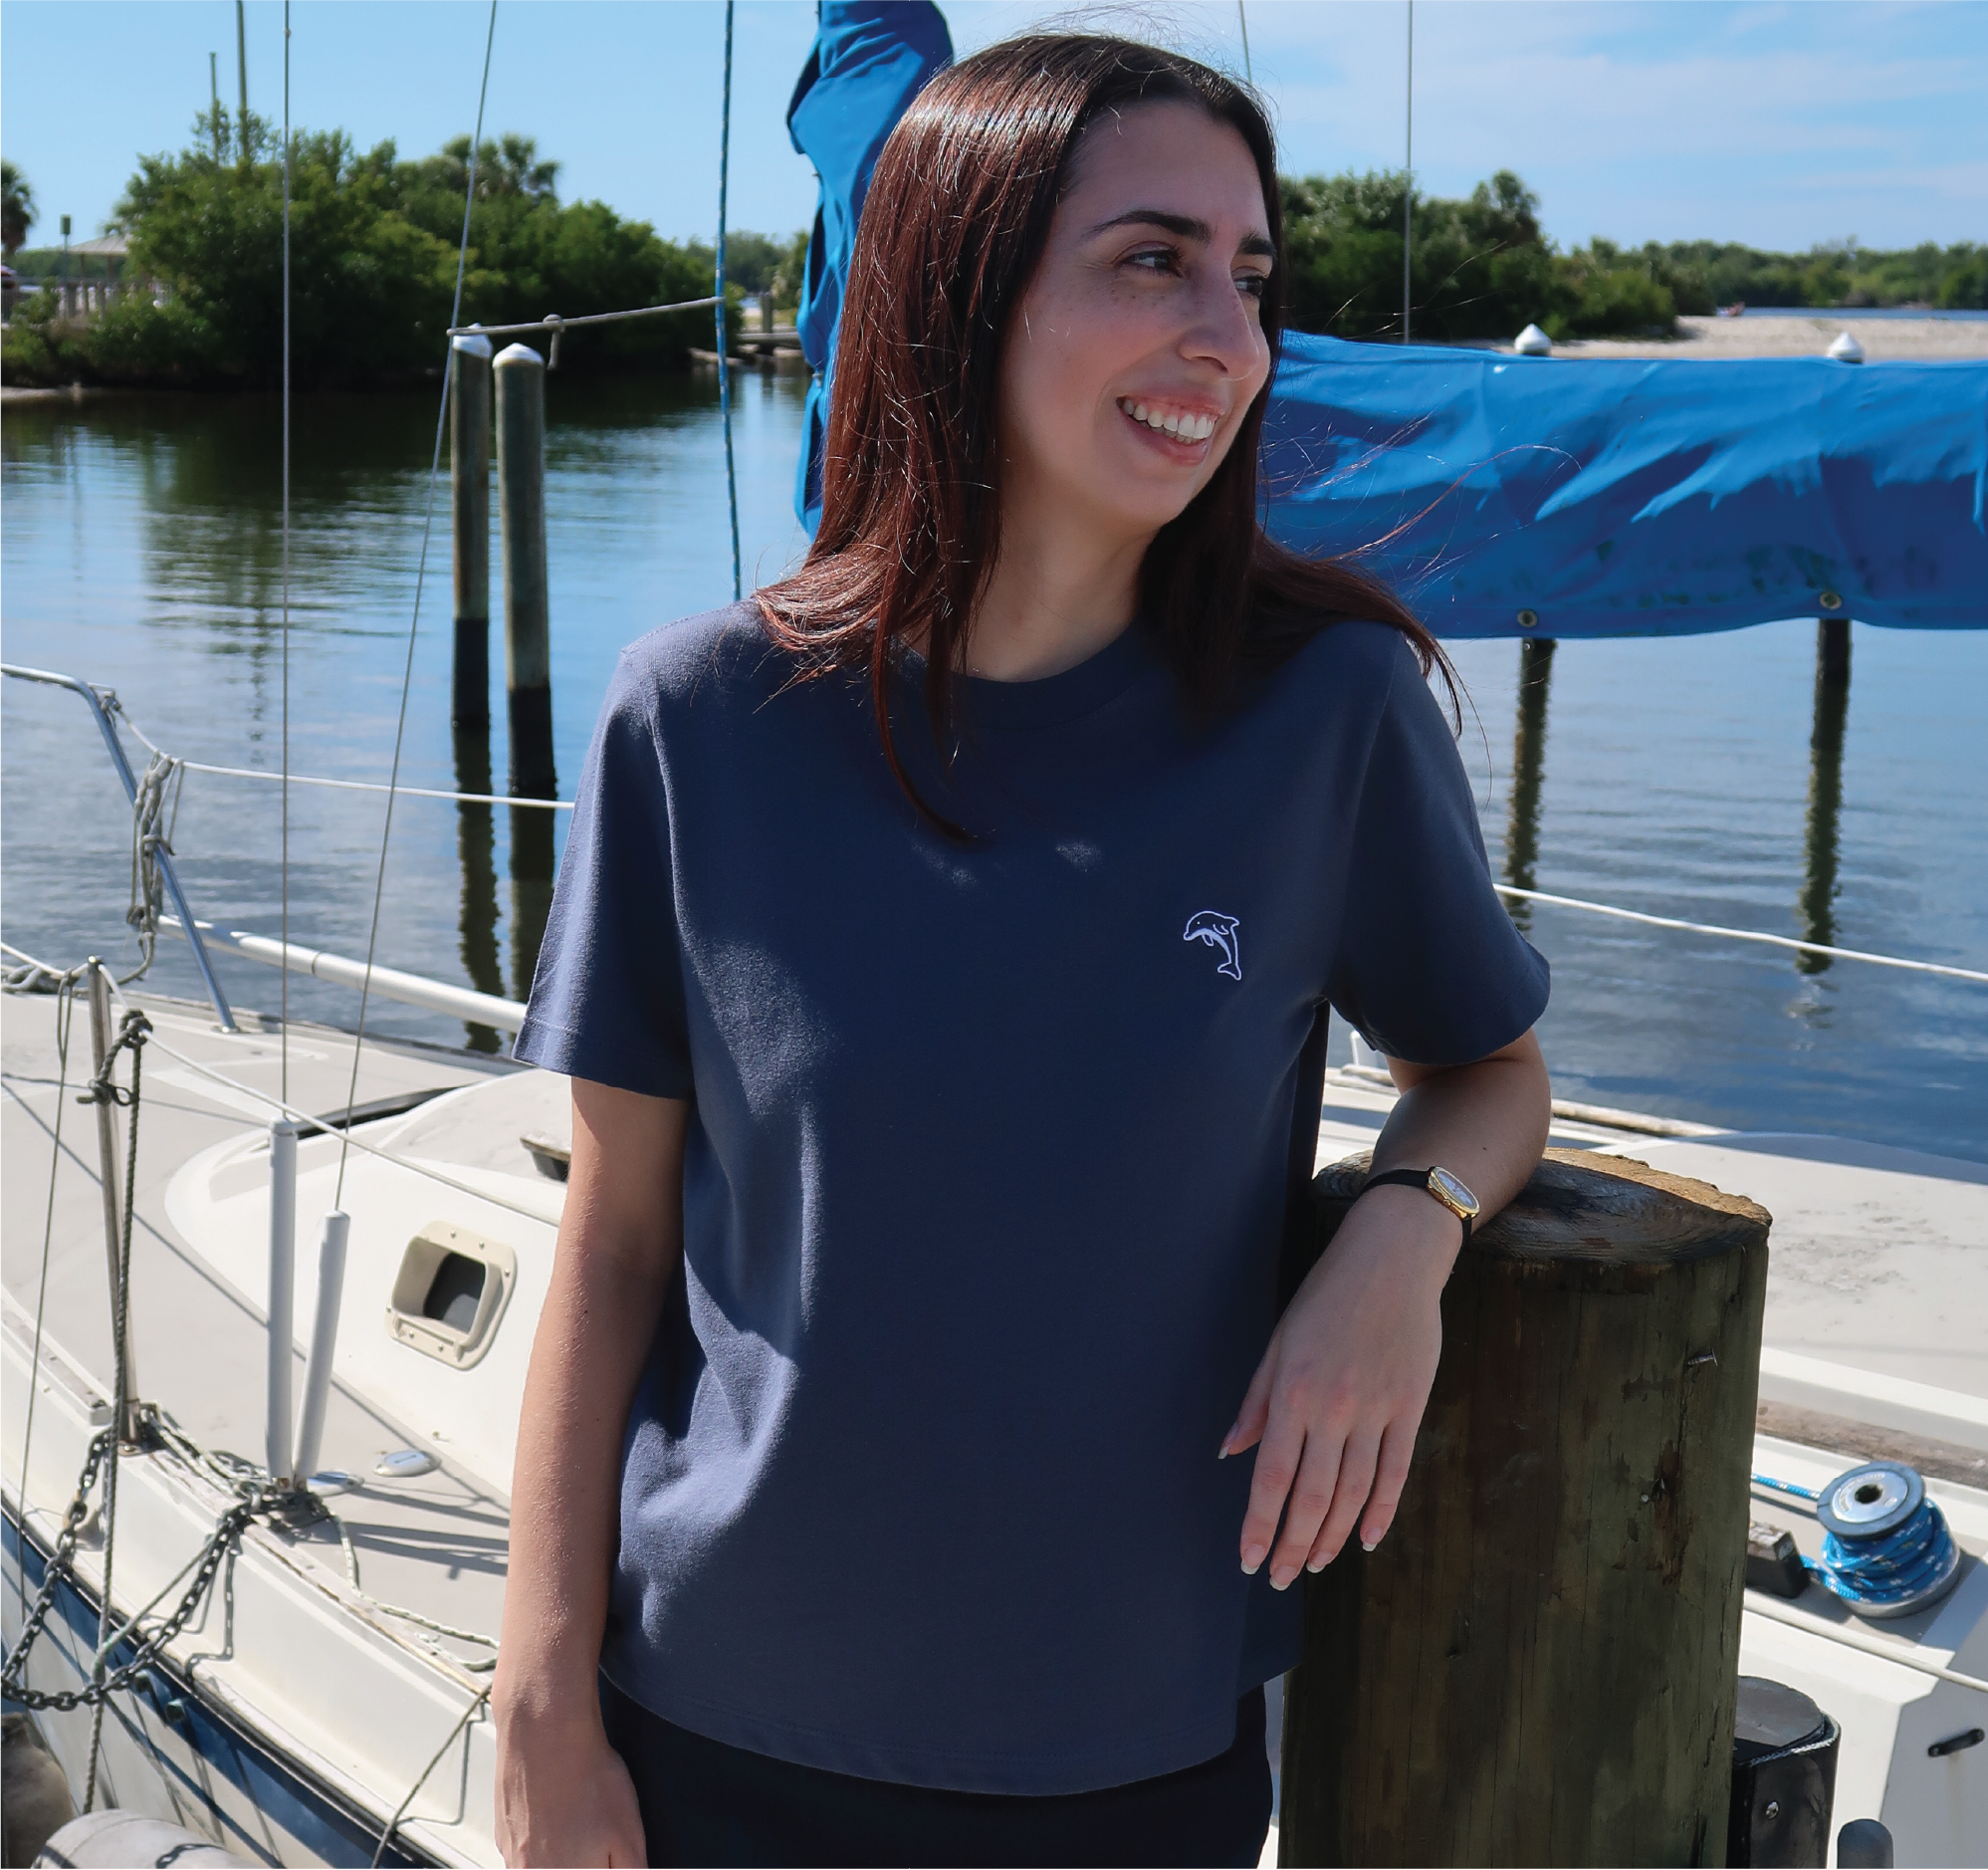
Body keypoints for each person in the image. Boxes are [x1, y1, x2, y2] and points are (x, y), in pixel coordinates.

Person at [492, 34, 1551, 1867]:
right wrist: (540, 1697)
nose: (1227, 333)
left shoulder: (1330, 707)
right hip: (710, 1732)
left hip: (1134, 1759)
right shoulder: (702, 717)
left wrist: (1405, 1232)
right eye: (1153, 258)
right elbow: (617, 1232)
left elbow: (1486, 1068)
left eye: (1251, 273)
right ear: (958, 292)